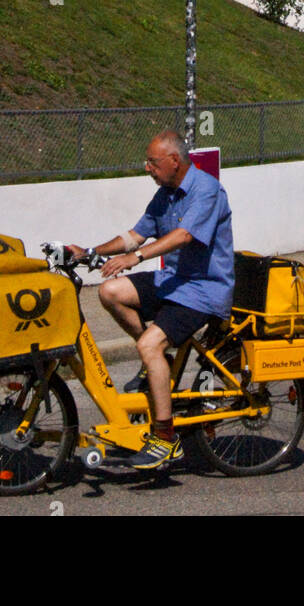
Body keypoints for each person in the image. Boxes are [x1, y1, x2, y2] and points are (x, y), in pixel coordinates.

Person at [67, 129, 234, 470]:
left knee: (148, 346)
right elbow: (135, 235)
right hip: (173, 281)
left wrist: (137, 258)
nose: (147, 168)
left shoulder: (207, 190)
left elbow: (184, 235)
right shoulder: (166, 193)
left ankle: (165, 438)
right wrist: (88, 252)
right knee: (110, 291)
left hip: (203, 291)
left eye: (152, 162)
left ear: (174, 160)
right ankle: (158, 361)